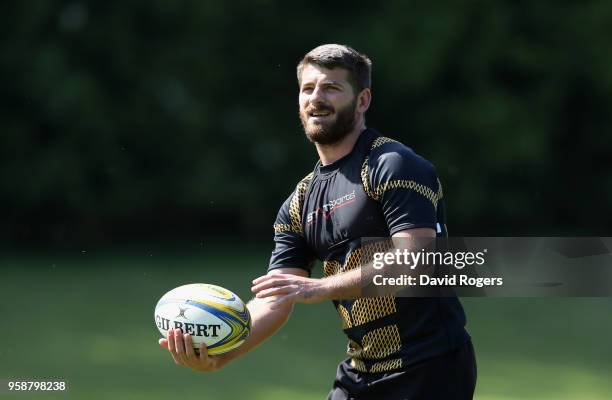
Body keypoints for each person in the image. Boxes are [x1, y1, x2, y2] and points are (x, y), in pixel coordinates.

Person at [159, 44, 477, 399]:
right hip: (360, 375)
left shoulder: (392, 165)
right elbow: (276, 297)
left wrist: (319, 288)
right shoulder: (299, 202)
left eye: (332, 88)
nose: (316, 98)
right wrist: (222, 353)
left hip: (429, 369)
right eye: (308, 88)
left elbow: (416, 261)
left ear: (363, 100)